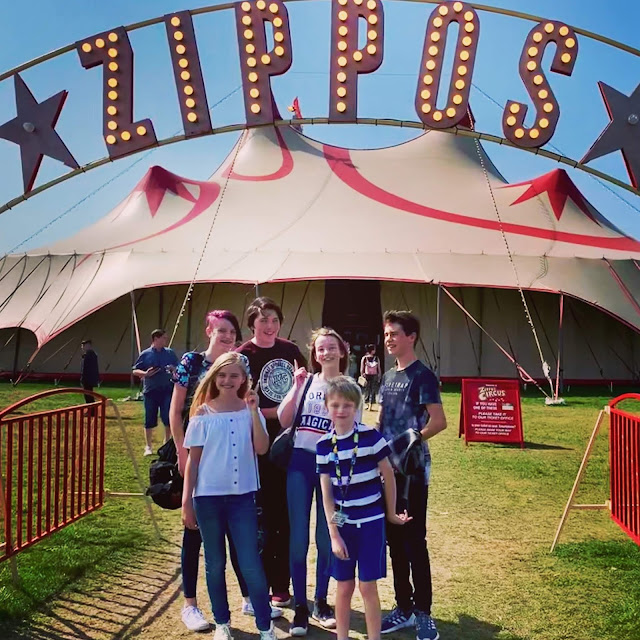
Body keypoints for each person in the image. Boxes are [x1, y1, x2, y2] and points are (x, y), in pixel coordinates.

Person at [170, 311, 281, 632]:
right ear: (214, 378)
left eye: (235, 376)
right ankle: (222, 623)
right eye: (223, 376)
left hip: (243, 498)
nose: (228, 381)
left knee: (250, 563)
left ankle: (264, 626)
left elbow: (261, 448)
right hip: (207, 499)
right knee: (215, 564)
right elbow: (193, 460)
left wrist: (253, 410)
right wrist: (188, 501)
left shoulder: (250, 410)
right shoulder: (202, 414)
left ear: (243, 379)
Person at [316, 377, 412, 640]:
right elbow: (326, 494)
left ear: (357, 407)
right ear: (327, 407)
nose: (341, 410)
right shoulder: (324, 446)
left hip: (371, 523)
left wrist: (391, 512)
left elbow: (389, 475)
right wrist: (334, 535)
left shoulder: (370, 437)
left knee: (367, 586)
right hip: (343, 525)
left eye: (348, 405)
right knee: (344, 587)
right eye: (335, 405)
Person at [277, 328, 356, 635]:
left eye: (332, 348)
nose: (326, 353)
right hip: (300, 462)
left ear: (342, 351)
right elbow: (285, 419)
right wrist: (296, 388)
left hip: (333, 467)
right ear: (314, 353)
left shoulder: (350, 386)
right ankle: (300, 606)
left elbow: (354, 432)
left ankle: (321, 602)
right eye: (321, 349)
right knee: (298, 538)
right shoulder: (307, 381)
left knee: (328, 537)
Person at [377, 311, 447, 640]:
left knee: (414, 541)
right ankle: (403, 607)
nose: (389, 338)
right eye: (387, 333)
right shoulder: (388, 376)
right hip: (386, 473)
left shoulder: (423, 377)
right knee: (395, 543)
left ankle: (423, 613)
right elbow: (382, 423)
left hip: (413, 472)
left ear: (411, 337)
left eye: (395, 333)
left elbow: (438, 421)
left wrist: (409, 442)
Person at [237, 297, 307, 606]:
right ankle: (259, 584)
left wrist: (286, 415)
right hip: (255, 444)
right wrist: (273, 414)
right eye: (263, 319)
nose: (270, 325)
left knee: (286, 514)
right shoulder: (241, 356)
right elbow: (236, 400)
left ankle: (282, 583)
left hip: (289, 444)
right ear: (251, 322)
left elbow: (305, 388)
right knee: (260, 516)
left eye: (274, 319)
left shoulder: (290, 351)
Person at [133, 329, 179, 456]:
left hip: (167, 390)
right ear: (156, 339)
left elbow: (179, 367)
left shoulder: (170, 353)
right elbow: (135, 370)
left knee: (167, 417)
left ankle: (167, 442)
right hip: (151, 392)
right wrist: (145, 374)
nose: (166, 340)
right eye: (163, 338)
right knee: (149, 419)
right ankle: (148, 446)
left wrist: (173, 368)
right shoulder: (145, 354)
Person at [360, 344, 381, 411]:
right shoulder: (376, 358)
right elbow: (379, 367)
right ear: (372, 350)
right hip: (373, 375)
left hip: (367, 375)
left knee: (367, 390)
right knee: (372, 390)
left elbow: (362, 367)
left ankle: (367, 404)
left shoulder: (364, 358)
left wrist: (362, 374)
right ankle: (370, 404)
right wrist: (379, 374)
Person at [79, 339, 99, 405]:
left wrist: (83, 378)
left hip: (88, 378)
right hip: (88, 378)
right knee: (88, 394)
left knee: (88, 395)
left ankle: (91, 409)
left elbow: (87, 369)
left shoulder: (90, 355)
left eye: (84, 345)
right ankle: (91, 409)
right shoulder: (88, 355)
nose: (83, 347)